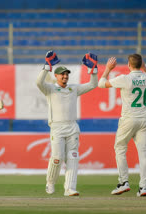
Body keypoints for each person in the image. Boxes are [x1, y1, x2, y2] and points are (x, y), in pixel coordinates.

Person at [98, 54, 146, 197]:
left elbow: (101, 84)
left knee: (120, 148)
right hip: (145, 120)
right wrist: (145, 68)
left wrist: (108, 69)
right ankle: (143, 187)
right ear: (141, 64)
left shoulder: (125, 78)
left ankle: (123, 182)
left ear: (129, 65)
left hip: (128, 119)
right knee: (144, 153)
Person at [36, 51, 98, 196]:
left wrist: (93, 70)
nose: (65, 76)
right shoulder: (50, 89)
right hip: (57, 127)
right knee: (57, 158)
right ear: (56, 76)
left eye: (66, 74)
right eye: (62, 74)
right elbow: (38, 82)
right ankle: (50, 183)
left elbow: (93, 84)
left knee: (73, 157)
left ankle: (69, 188)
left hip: (72, 127)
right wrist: (47, 67)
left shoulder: (73, 89)